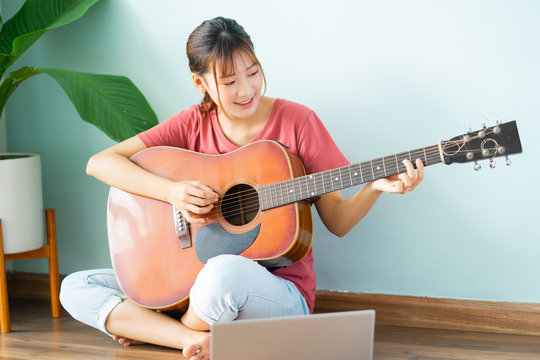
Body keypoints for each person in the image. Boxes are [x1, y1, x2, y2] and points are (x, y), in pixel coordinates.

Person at [60, 17, 424, 360]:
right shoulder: (192, 124)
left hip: (275, 295)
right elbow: (101, 162)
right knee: (75, 287)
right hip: (190, 291)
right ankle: (191, 339)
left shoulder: (299, 122)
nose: (246, 89)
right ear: (201, 84)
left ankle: (157, 329)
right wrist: (171, 192)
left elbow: (338, 222)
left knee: (222, 273)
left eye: (252, 73)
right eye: (230, 81)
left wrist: (375, 187)